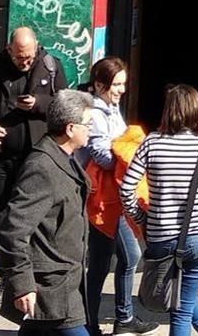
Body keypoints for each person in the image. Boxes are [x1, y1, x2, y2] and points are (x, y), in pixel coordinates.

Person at [0, 26, 68, 305]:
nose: (24, 63)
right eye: (19, 57)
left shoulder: (50, 66)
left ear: (36, 47)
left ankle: (36, 275)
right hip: (1, 158)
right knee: (2, 219)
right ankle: (8, 278)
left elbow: (65, 106)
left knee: (38, 218)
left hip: (38, 159)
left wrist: (38, 103)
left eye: (29, 57)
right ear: (9, 49)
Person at [120, 85, 198, 336]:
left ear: (169, 111)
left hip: (162, 237)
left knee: (180, 305)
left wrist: (141, 218)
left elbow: (126, 190)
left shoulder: (151, 143)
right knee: (183, 299)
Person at [0, 89, 93, 335]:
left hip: (63, 284)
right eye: (88, 124)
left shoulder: (66, 158)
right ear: (71, 128)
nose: (91, 129)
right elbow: (12, 229)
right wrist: (22, 283)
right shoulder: (42, 167)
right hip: (50, 289)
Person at [77, 57, 156, 336]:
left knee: (101, 262)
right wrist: (128, 149)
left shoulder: (111, 108)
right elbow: (104, 156)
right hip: (104, 200)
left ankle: (95, 321)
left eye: (123, 84)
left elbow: (119, 145)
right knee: (129, 256)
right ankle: (114, 318)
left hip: (114, 195)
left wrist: (124, 146)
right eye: (117, 84)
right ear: (100, 85)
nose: (122, 90)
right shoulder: (95, 113)